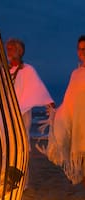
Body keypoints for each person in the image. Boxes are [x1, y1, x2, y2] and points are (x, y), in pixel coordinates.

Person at [39, 35, 85, 188]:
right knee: (82, 170)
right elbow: (70, 104)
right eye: (79, 49)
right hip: (80, 131)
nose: (82, 51)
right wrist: (56, 113)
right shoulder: (76, 74)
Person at [5, 38, 55, 151]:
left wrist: (49, 102)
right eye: (7, 49)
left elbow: (38, 87)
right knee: (6, 141)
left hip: (22, 112)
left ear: (19, 51)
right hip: (7, 112)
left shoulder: (28, 70)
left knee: (20, 140)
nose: (8, 52)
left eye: (11, 49)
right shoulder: (5, 71)